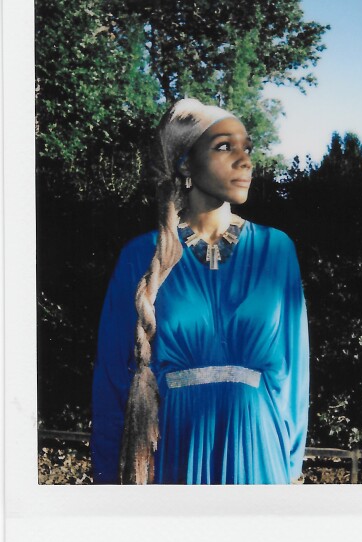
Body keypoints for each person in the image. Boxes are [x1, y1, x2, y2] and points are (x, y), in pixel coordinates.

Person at [91, 98, 309, 484]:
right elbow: (112, 377)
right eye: (225, 147)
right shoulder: (141, 255)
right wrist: (109, 481)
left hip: (259, 455)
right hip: (174, 447)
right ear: (186, 164)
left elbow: (294, 374)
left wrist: (288, 471)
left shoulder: (277, 250)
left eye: (247, 149)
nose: (244, 161)